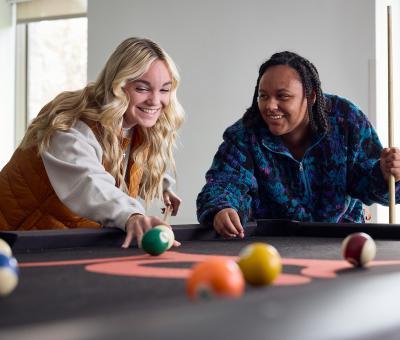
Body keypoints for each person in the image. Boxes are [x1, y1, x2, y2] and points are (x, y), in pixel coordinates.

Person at [0, 37, 184, 248]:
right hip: (13, 240)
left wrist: (161, 184)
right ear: (118, 84)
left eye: (164, 90)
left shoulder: (136, 125)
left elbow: (125, 164)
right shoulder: (69, 123)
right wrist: (131, 214)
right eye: (142, 89)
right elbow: (88, 181)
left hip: (60, 245)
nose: (154, 100)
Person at [197, 51, 400, 238]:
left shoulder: (346, 121)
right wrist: (221, 207)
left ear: (310, 96)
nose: (270, 106)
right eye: (263, 96)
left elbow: (371, 185)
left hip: (343, 242)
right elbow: (225, 182)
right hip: (272, 247)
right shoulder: (244, 134)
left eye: (282, 96)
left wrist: (387, 174)